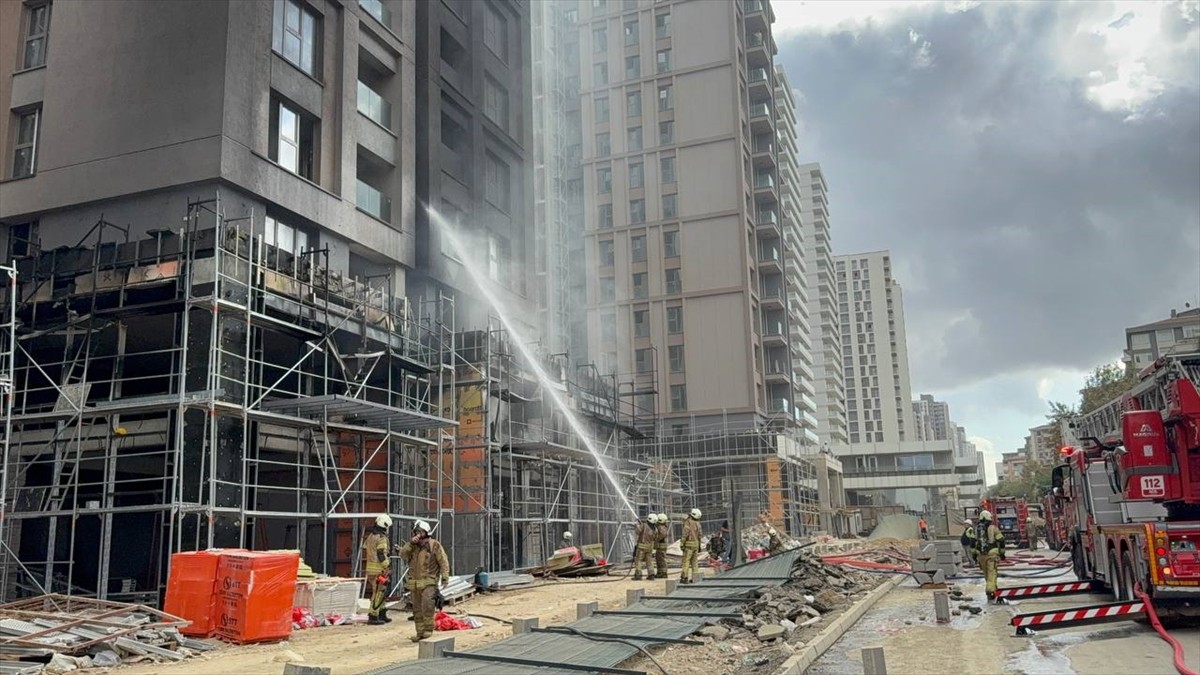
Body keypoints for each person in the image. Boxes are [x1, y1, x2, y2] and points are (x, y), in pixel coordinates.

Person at [397, 519, 450, 642]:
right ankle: (419, 632)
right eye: (416, 532)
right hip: (415, 584)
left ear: (426, 532)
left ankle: (428, 631)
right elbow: (403, 555)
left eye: (420, 532)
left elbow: (443, 561)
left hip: (429, 582)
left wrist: (445, 576)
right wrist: (410, 543)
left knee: (427, 607)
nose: (417, 534)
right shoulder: (413, 547)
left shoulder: (434, 545)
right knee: (417, 609)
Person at [363, 514, 393, 625]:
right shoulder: (381, 538)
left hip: (370, 570)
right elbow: (381, 554)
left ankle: (382, 613)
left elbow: (367, 547)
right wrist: (387, 566)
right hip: (379, 570)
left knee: (381, 592)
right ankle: (373, 615)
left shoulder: (370, 536)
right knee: (378, 593)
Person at [974, 510, 1006, 603]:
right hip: (992, 554)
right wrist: (1002, 553)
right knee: (992, 573)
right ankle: (990, 591)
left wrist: (974, 555)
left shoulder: (976, 529)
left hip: (980, 555)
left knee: (986, 574)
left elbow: (973, 542)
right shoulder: (993, 528)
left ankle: (992, 588)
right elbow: (1001, 540)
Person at [681, 508, 702, 583]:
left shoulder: (688, 522)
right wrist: (699, 546)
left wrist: (682, 543)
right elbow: (700, 536)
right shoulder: (698, 524)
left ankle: (684, 578)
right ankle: (695, 578)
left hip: (689, 545)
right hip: (696, 545)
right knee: (695, 563)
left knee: (686, 562)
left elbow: (685, 534)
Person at [633, 513, 656, 580]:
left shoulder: (644, 526)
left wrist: (637, 525)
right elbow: (655, 538)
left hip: (641, 547)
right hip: (649, 548)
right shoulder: (655, 529)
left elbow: (638, 532)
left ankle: (638, 575)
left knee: (638, 561)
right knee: (649, 562)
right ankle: (651, 575)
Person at [654, 513, 670, 579]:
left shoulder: (661, 527)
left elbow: (662, 535)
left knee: (662, 559)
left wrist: (656, 539)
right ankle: (660, 572)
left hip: (661, 546)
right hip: (660, 546)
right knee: (658, 559)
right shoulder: (661, 526)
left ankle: (664, 573)